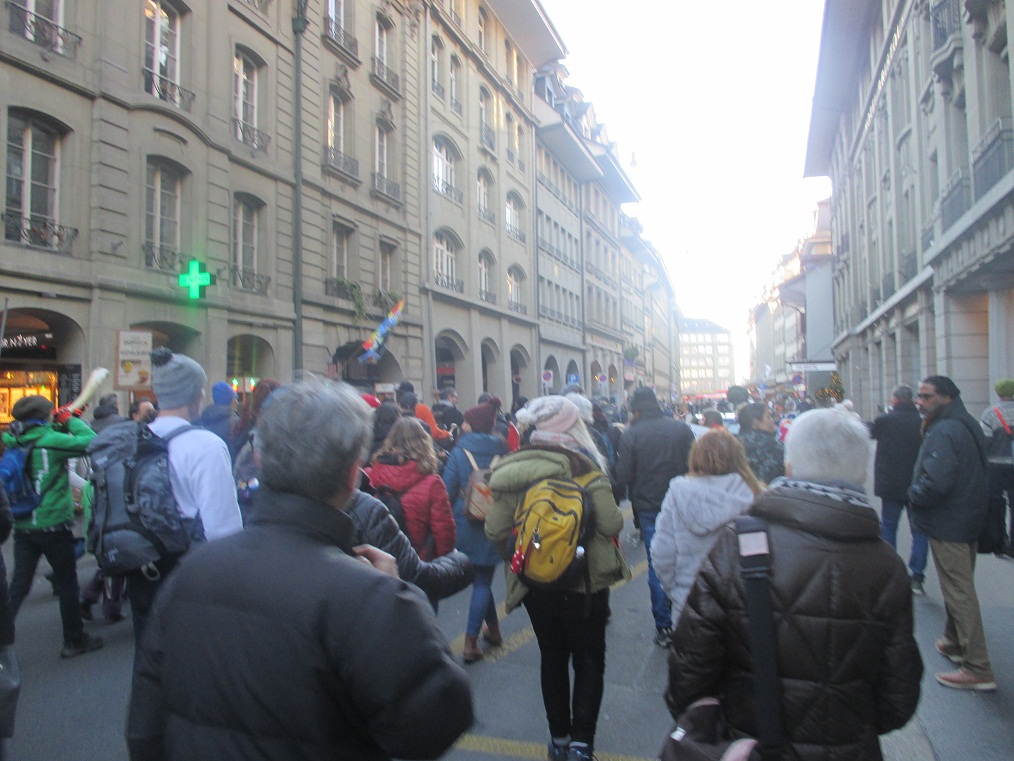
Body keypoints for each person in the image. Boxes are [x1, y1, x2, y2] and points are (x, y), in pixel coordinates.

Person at [126, 379, 474, 760]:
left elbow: (145, 729)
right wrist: (405, 606)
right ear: (352, 473)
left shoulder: (191, 573)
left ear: (259, 459)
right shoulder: (372, 595)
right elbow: (436, 723)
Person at [667, 409, 923, 759]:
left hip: (749, 743)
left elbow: (690, 667)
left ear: (788, 467)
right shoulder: (888, 565)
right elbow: (899, 695)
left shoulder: (739, 544)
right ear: (863, 472)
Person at [485, 395, 628, 761]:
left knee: (551, 655)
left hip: (537, 583)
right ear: (572, 427)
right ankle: (582, 744)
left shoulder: (514, 470)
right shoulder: (585, 466)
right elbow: (613, 523)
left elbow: (495, 528)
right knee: (589, 658)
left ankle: (559, 740)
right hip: (585, 583)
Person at [127, 348, 243, 646]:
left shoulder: (133, 440)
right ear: (195, 395)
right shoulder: (205, 445)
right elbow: (223, 531)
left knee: (148, 657)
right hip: (188, 573)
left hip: (139, 567)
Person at [908, 375, 995, 690]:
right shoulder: (965, 420)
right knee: (959, 586)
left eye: (926, 396)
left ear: (945, 397)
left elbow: (937, 480)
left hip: (950, 520)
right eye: (919, 395)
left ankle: (978, 668)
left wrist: (914, 494)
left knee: (959, 592)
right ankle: (955, 642)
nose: (920, 401)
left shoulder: (944, 429)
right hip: (968, 516)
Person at [2, 395, 102, 658]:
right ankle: (74, 640)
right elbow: (92, 441)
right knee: (68, 583)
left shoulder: (12, 440)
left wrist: (68, 418)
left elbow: (46, 434)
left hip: (24, 525)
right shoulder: (52, 442)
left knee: (18, 586)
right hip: (54, 524)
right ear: (44, 416)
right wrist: (71, 421)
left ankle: (2, 638)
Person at [650, 430, 763, 626]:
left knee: (693, 655)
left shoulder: (679, 493)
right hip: (745, 602)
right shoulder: (755, 495)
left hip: (691, 600)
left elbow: (662, 553)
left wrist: (676, 593)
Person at [614, 387, 695, 647]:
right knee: (686, 560)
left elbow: (624, 474)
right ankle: (689, 618)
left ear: (636, 410)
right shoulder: (681, 429)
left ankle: (664, 627)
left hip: (648, 506)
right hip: (681, 502)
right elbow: (695, 464)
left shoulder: (632, 434)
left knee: (657, 563)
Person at [442, 396, 509, 663]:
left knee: (479, 579)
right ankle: (492, 630)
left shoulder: (459, 452)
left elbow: (446, 489)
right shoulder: (502, 450)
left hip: (465, 520)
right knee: (483, 578)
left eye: (467, 421)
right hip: (494, 521)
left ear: (473, 424)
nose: (463, 425)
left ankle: (469, 643)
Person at [365, 418, 456, 563]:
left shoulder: (369, 476)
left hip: (378, 562)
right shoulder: (433, 484)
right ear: (424, 443)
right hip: (419, 562)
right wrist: (444, 562)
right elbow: (443, 531)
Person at [870, 385, 928, 594]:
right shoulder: (923, 421)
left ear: (895, 400)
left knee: (889, 528)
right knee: (920, 531)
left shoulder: (885, 420)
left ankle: (890, 573)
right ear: (911, 399)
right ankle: (917, 577)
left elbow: (870, 433)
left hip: (891, 484)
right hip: (917, 485)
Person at [979, 378, 1014, 557]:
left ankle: (999, 542)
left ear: (999, 393)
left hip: (995, 466)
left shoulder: (991, 413)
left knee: (995, 504)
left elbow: (984, 441)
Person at [736, 402, 785, 484]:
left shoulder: (732, 444)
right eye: (768, 417)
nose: (772, 421)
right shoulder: (776, 446)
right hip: (770, 494)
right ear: (756, 422)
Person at [197, 381, 239, 447]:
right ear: (229, 400)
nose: (237, 402)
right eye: (235, 399)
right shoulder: (236, 423)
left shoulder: (201, 420)